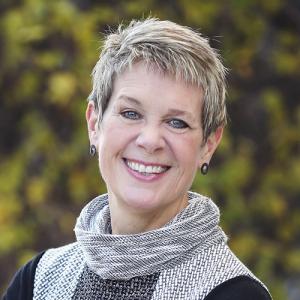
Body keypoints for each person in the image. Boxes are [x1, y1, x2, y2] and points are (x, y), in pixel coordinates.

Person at [2, 18, 272, 300]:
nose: (150, 140)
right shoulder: (37, 282)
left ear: (209, 144)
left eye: (177, 122)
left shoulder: (234, 294)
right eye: (131, 113)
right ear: (94, 124)